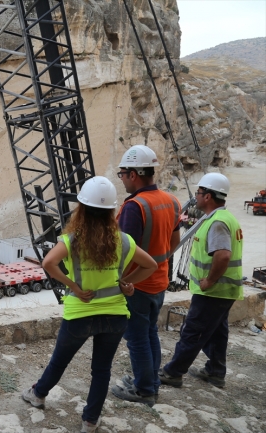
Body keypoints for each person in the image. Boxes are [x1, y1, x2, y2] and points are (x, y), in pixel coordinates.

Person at [20, 176, 157, 433]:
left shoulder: (72, 240)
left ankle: (38, 395)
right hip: (115, 314)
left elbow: (48, 263)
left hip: (80, 315)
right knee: (101, 370)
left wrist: (73, 287)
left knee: (59, 362)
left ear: (81, 209)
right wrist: (127, 282)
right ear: (111, 212)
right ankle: (90, 422)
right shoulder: (123, 240)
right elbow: (151, 264)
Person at [110, 145, 181, 406]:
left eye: (122, 175)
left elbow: (123, 252)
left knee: (137, 338)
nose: (122, 180)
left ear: (133, 174)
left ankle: (144, 390)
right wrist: (156, 261)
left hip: (136, 285)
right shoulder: (172, 200)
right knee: (149, 332)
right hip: (159, 281)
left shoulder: (134, 206)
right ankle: (149, 382)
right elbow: (174, 241)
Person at [159, 173, 243, 389]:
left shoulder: (217, 222)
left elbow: (223, 255)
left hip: (214, 290)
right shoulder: (223, 218)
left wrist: (209, 281)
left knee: (193, 330)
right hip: (224, 290)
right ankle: (215, 371)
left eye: (198, 192)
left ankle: (173, 372)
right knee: (217, 331)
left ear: (208, 196)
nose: (195, 196)